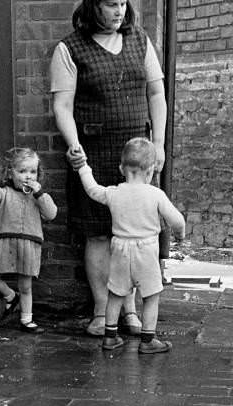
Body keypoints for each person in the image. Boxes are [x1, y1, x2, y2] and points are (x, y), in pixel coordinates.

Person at [50, 0, 168, 337]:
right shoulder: (70, 48)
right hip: (94, 152)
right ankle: (103, 312)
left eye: (123, 4)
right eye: (111, 4)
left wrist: (159, 144)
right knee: (99, 234)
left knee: (135, 235)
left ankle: (129, 310)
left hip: (136, 155)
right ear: (93, 5)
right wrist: (74, 146)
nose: (119, 11)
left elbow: (156, 94)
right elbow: (62, 106)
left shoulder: (140, 41)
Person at [77, 137, 186, 355]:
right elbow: (177, 220)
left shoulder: (114, 193)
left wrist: (83, 167)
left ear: (121, 168)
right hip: (146, 250)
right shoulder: (155, 194)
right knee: (151, 296)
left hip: (120, 249)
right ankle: (148, 340)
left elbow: (92, 189)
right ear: (151, 170)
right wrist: (180, 235)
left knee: (115, 294)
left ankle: (110, 337)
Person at [0, 146, 57, 334]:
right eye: (22, 171)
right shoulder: (4, 191)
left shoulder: (38, 197)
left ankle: (27, 319)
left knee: (25, 285)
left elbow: (51, 214)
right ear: (11, 173)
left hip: (27, 244)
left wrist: (40, 194)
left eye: (33, 171)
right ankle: (10, 296)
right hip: (4, 242)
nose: (28, 176)